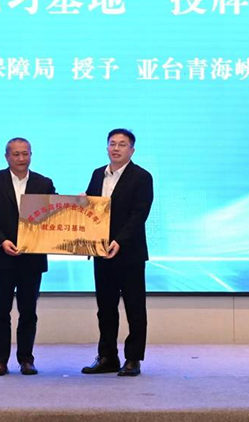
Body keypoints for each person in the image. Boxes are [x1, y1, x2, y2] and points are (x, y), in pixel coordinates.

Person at [0, 137, 56, 376]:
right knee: (0, 313)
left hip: (31, 259)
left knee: (28, 312)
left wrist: (81, 203)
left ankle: (26, 360)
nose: (21, 158)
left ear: (31, 155)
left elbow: (56, 216)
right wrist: (2, 241)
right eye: (16, 154)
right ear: (7, 157)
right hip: (1, 258)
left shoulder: (44, 183)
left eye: (25, 153)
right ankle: (0, 361)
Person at [81, 128, 153, 377]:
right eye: (112, 143)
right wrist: (80, 203)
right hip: (101, 252)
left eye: (122, 144)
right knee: (105, 308)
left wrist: (119, 241)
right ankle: (107, 357)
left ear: (132, 150)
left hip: (130, 253)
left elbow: (139, 215)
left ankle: (133, 359)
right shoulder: (97, 174)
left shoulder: (142, 177)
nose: (116, 148)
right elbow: (91, 210)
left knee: (135, 307)